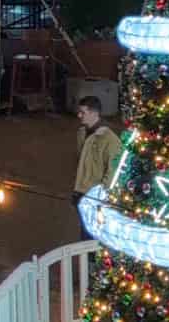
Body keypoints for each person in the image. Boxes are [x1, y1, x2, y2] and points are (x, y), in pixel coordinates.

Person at [73, 96, 122, 240]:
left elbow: (113, 170)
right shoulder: (81, 133)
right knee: (84, 232)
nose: (79, 115)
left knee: (95, 235)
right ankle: (87, 261)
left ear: (94, 113)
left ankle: (93, 262)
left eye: (83, 112)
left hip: (95, 197)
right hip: (81, 192)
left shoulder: (110, 140)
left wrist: (100, 196)